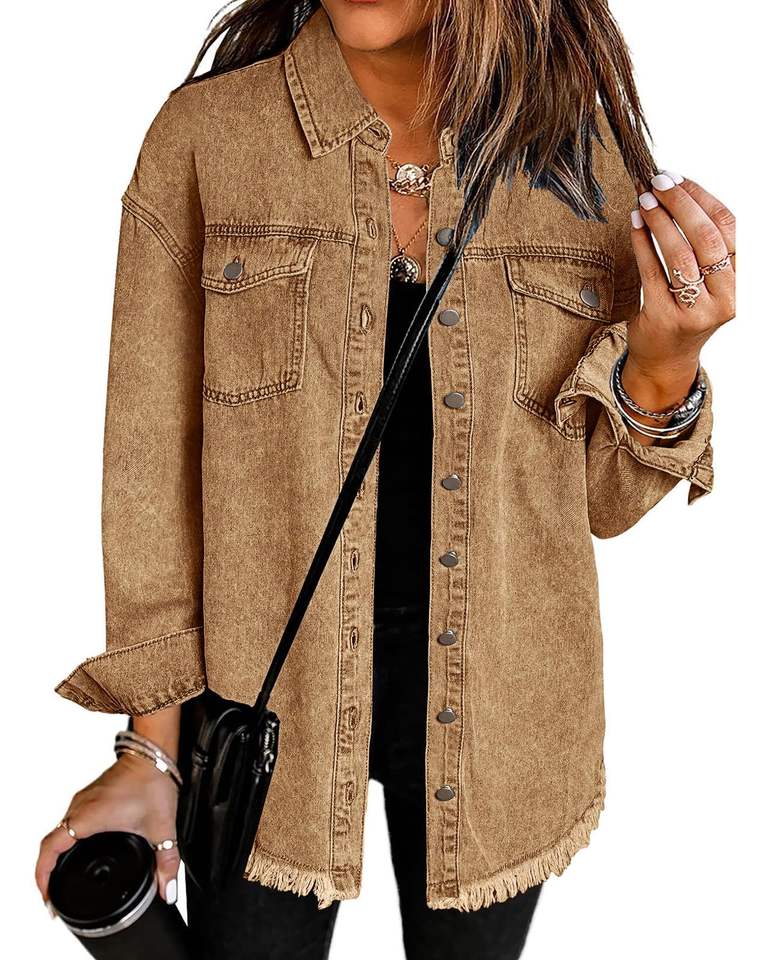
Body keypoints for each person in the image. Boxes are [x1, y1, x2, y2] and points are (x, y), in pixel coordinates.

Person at [35, 1, 735, 957]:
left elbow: (604, 507)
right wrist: (148, 749)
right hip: (260, 698)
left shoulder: (580, 160)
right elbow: (150, 472)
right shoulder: (207, 138)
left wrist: (667, 362)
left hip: (506, 717)